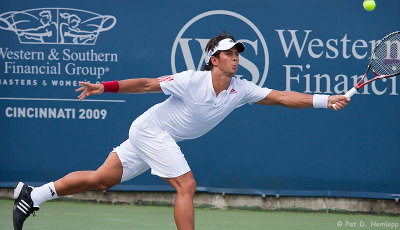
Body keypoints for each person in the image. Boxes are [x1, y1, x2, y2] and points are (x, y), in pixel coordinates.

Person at [12, 32, 350, 230]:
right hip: (150, 131)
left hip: (158, 136)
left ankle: (33, 195)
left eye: (237, 54)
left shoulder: (241, 89)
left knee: (101, 179)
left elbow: (282, 96)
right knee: (186, 185)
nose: (235, 58)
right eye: (228, 54)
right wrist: (106, 86)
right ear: (213, 60)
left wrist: (325, 101)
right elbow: (146, 84)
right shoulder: (191, 80)